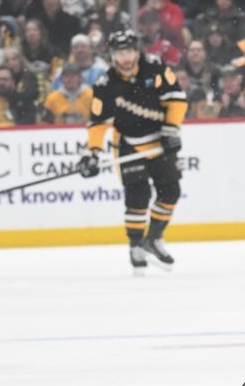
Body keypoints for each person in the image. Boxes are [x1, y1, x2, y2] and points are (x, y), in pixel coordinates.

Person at [78, 29, 188, 276]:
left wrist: (172, 130)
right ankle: (136, 245)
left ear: (137, 51)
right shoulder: (106, 84)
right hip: (129, 143)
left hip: (161, 141)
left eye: (129, 52)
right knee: (138, 195)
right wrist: (92, 153)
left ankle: (154, 238)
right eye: (120, 53)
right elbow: (97, 124)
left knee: (171, 190)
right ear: (113, 56)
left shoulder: (156, 69)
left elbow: (177, 100)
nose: (126, 58)